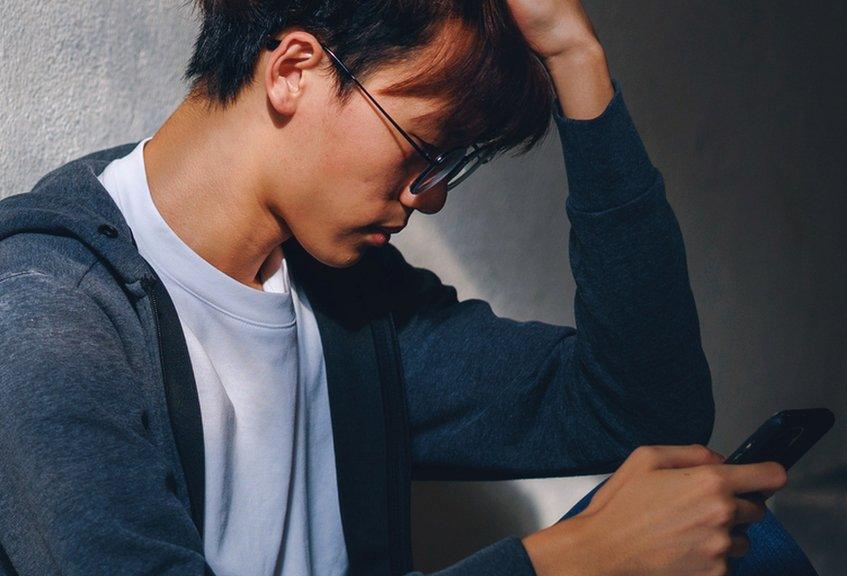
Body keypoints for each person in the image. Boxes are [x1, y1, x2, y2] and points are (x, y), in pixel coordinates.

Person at [0, 1, 789, 575]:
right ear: (295, 71)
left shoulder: (346, 301)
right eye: (424, 148)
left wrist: (578, 66)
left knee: (737, 542)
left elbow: (645, 410)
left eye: (451, 165)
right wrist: (565, 562)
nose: (431, 195)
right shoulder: (49, 306)